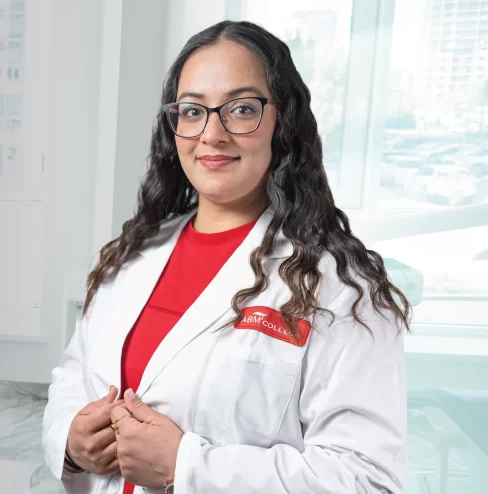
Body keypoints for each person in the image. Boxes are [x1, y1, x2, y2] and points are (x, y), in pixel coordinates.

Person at [42, 20, 411, 494]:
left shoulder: (342, 288)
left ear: (284, 123)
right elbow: (74, 374)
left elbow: (367, 480)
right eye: (192, 110)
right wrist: (71, 438)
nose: (211, 134)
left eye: (241, 109)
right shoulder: (132, 253)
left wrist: (189, 468)